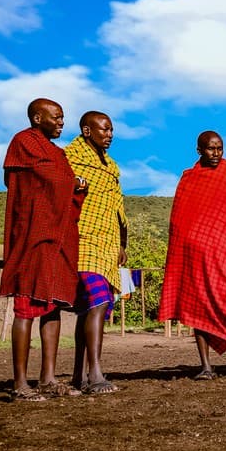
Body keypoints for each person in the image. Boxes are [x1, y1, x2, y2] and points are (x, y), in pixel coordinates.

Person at [158, 131, 226, 382]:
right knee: (199, 307)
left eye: (220, 148)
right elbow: (179, 221)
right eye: (210, 149)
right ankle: (206, 366)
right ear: (199, 150)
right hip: (197, 256)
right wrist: (188, 247)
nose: (216, 153)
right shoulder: (189, 179)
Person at [0, 98, 86, 401]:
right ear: (38, 118)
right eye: (56, 117)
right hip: (32, 235)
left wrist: (74, 183)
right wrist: (71, 181)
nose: (62, 122)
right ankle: (20, 383)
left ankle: (48, 378)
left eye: (63, 117)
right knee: (26, 308)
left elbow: (60, 179)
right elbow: (46, 178)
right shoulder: (24, 142)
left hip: (56, 238)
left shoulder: (56, 153)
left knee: (52, 306)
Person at [66, 110, 128, 395]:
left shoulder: (112, 167)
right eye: (104, 129)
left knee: (89, 310)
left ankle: (78, 375)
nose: (110, 134)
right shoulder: (69, 159)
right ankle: (96, 374)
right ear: (87, 131)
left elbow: (118, 208)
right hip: (81, 240)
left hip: (107, 244)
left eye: (111, 130)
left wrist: (122, 245)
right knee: (98, 302)